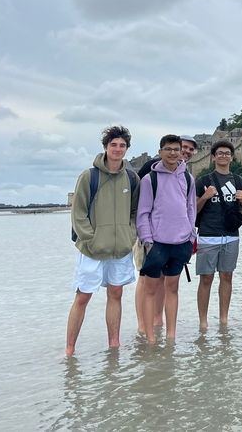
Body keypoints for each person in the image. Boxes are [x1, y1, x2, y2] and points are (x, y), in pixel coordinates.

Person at [65, 125, 140, 356]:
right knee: (83, 296)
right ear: (106, 147)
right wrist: (91, 238)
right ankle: (69, 349)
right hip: (92, 249)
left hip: (121, 249)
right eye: (113, 145)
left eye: (122, 145)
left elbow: (135, 211)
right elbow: (78, 213)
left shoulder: (131, 177)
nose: (118, 149)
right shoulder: (90, 176)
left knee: (116, 294)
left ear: (127, 148)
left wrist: (130, 235)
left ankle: (114, 344)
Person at [136, 134, 196, 343]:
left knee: (173, 289)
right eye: (168, 149)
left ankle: (171, 336)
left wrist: (191, 235)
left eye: (176, 149)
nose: (173, 153)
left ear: (181, 152)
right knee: (150, 290)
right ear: (160, 152)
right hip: (157, 243)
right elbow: (143, 213)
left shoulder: (188, 178)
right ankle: (150, 338)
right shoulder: (149, 179)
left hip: (181, 243)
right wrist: (148, 241)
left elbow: (191, 209)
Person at [194, 140, 242, 330]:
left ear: (232, 157)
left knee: (227, 277)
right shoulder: (204, 180)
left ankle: (224, 319)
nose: (223, 156)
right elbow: (194, 210)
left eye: (227, 153)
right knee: (206, 278)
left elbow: (239, 211)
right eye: (220, 153)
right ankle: (203, 321)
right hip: (208, 235)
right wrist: (205, 197)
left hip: (231, 236)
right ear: (213, 156)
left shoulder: (238, 180)